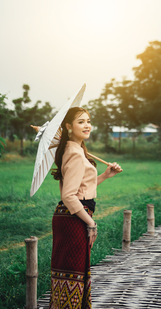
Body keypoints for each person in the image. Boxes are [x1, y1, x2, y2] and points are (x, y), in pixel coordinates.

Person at [32, 106, 122, 309]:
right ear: (68, 127)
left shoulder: (76, 150)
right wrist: (91, 223)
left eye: (88, 120)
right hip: (74, 218)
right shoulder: (74, 153)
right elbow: (69, 196)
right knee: (73, 273)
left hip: (72, 216)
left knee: (75, 272)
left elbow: (83, 187)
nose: (87, 125)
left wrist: (106, 175)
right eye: (81, 121)